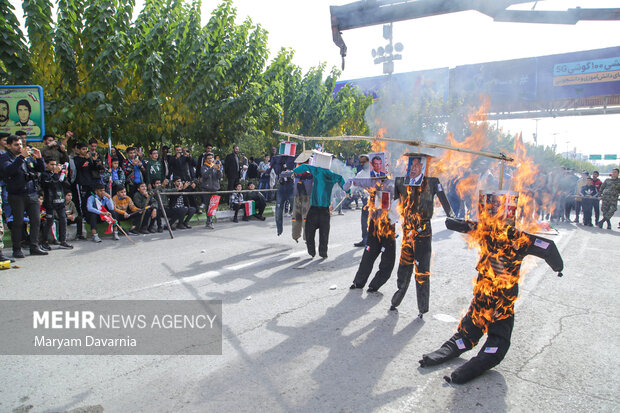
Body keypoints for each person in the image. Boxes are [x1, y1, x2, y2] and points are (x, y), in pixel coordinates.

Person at [419, 206, 564, 384]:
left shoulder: (491, 231)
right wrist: (558, 267)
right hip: (496, 300)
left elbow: (456, 224)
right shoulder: (509, 235)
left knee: (471, 335)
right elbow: (548, 247)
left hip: (490, 298)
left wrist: (450, 217)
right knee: (491, 342)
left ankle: (460, 366)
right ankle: (459, 364)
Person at [390, 154, 455, 317]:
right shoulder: (400, 181)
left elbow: (444, 201)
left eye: (417, 165)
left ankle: (422, 307)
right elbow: (390, 200)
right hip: (407, 231)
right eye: (411, 164)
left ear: (424, 167)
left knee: (422, 270)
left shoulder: (432, 182)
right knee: (404, 266)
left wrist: (452, 217)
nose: (413, 167)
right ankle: (397, 298)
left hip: (423, 232)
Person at [0, 135, 48, 257]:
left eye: (21, 144)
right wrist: (21, 157)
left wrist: (39, 158)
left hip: (31, 193)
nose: (19, 147)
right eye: (16, 145)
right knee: (18, 223)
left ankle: (34, 246)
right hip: (16, 195)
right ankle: (17, 249)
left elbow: (40, 169)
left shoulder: (27, 157)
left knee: (36, 220)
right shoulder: (5, 158)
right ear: (9, 146)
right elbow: (9, 171)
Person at [350, 180, 397, 292]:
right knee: (369, 254)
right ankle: (358, 282)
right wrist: (352, 182)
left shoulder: (395, 182)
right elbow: (356, 182)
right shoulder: (371, 181)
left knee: (388, 258)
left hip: (388, 224)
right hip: (375, 223)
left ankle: (375, 285)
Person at [293, 163, 345, 259]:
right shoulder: (332, 175)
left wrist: (294, 170)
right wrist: (348, 191)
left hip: (314, 208)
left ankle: (312, 251)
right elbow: (342, 182)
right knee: (324, 233)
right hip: (325, 210)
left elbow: (302, 168)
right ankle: (323, 252)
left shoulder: (317, 170)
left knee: (309, 231)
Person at [40, 159, 73, 249]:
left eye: (55, 164)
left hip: (60, 200)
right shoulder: (44, 174)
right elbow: (48, 184)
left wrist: (64, 175)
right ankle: (45, 242)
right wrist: (55, 173)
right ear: (46, 164)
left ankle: (63, 241)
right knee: (49, 221)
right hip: (50, 201)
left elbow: (67, 185)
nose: (54, 166)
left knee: (63, 220)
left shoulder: (58, 174)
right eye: (51, 164)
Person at [272, 152, 296, 236]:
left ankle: (299, 229)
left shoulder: (292, 159)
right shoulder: (278, 160)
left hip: (290, 187)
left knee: (296, 209)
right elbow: (273, 166)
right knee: (278, 210)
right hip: (281, 188)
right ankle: (279, 229)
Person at [292, 151, 313, 243]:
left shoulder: (311, 167)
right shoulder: (297, 167)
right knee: (297, 216)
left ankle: (305, 237)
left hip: (306, 196)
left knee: (305, 217)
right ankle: (296, 235)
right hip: (298, 195)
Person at [200, 152, 222, 229]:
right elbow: (205, 175)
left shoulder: (215, 166)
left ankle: (210, 221)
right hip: (206, 189)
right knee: (208, 206)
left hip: (215, 188)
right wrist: (212, 168)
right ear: (206, 159)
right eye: (208, 158)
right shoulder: (204, 167)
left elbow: (220, 177)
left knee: (213, 206)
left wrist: (218, 169)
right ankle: (209, 222)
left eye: (211, 158)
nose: (210, 160)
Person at [353, 154, 371, 247]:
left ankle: (371, 241)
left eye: (364, 161)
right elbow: (354, 183)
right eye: (361, 162)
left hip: (374, 201)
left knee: (372, 222)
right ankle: (365, 239)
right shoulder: (361, 173)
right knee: (364, 221)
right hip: (365, 200)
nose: (362, 164)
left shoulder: (374, 172)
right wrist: (349, 192)